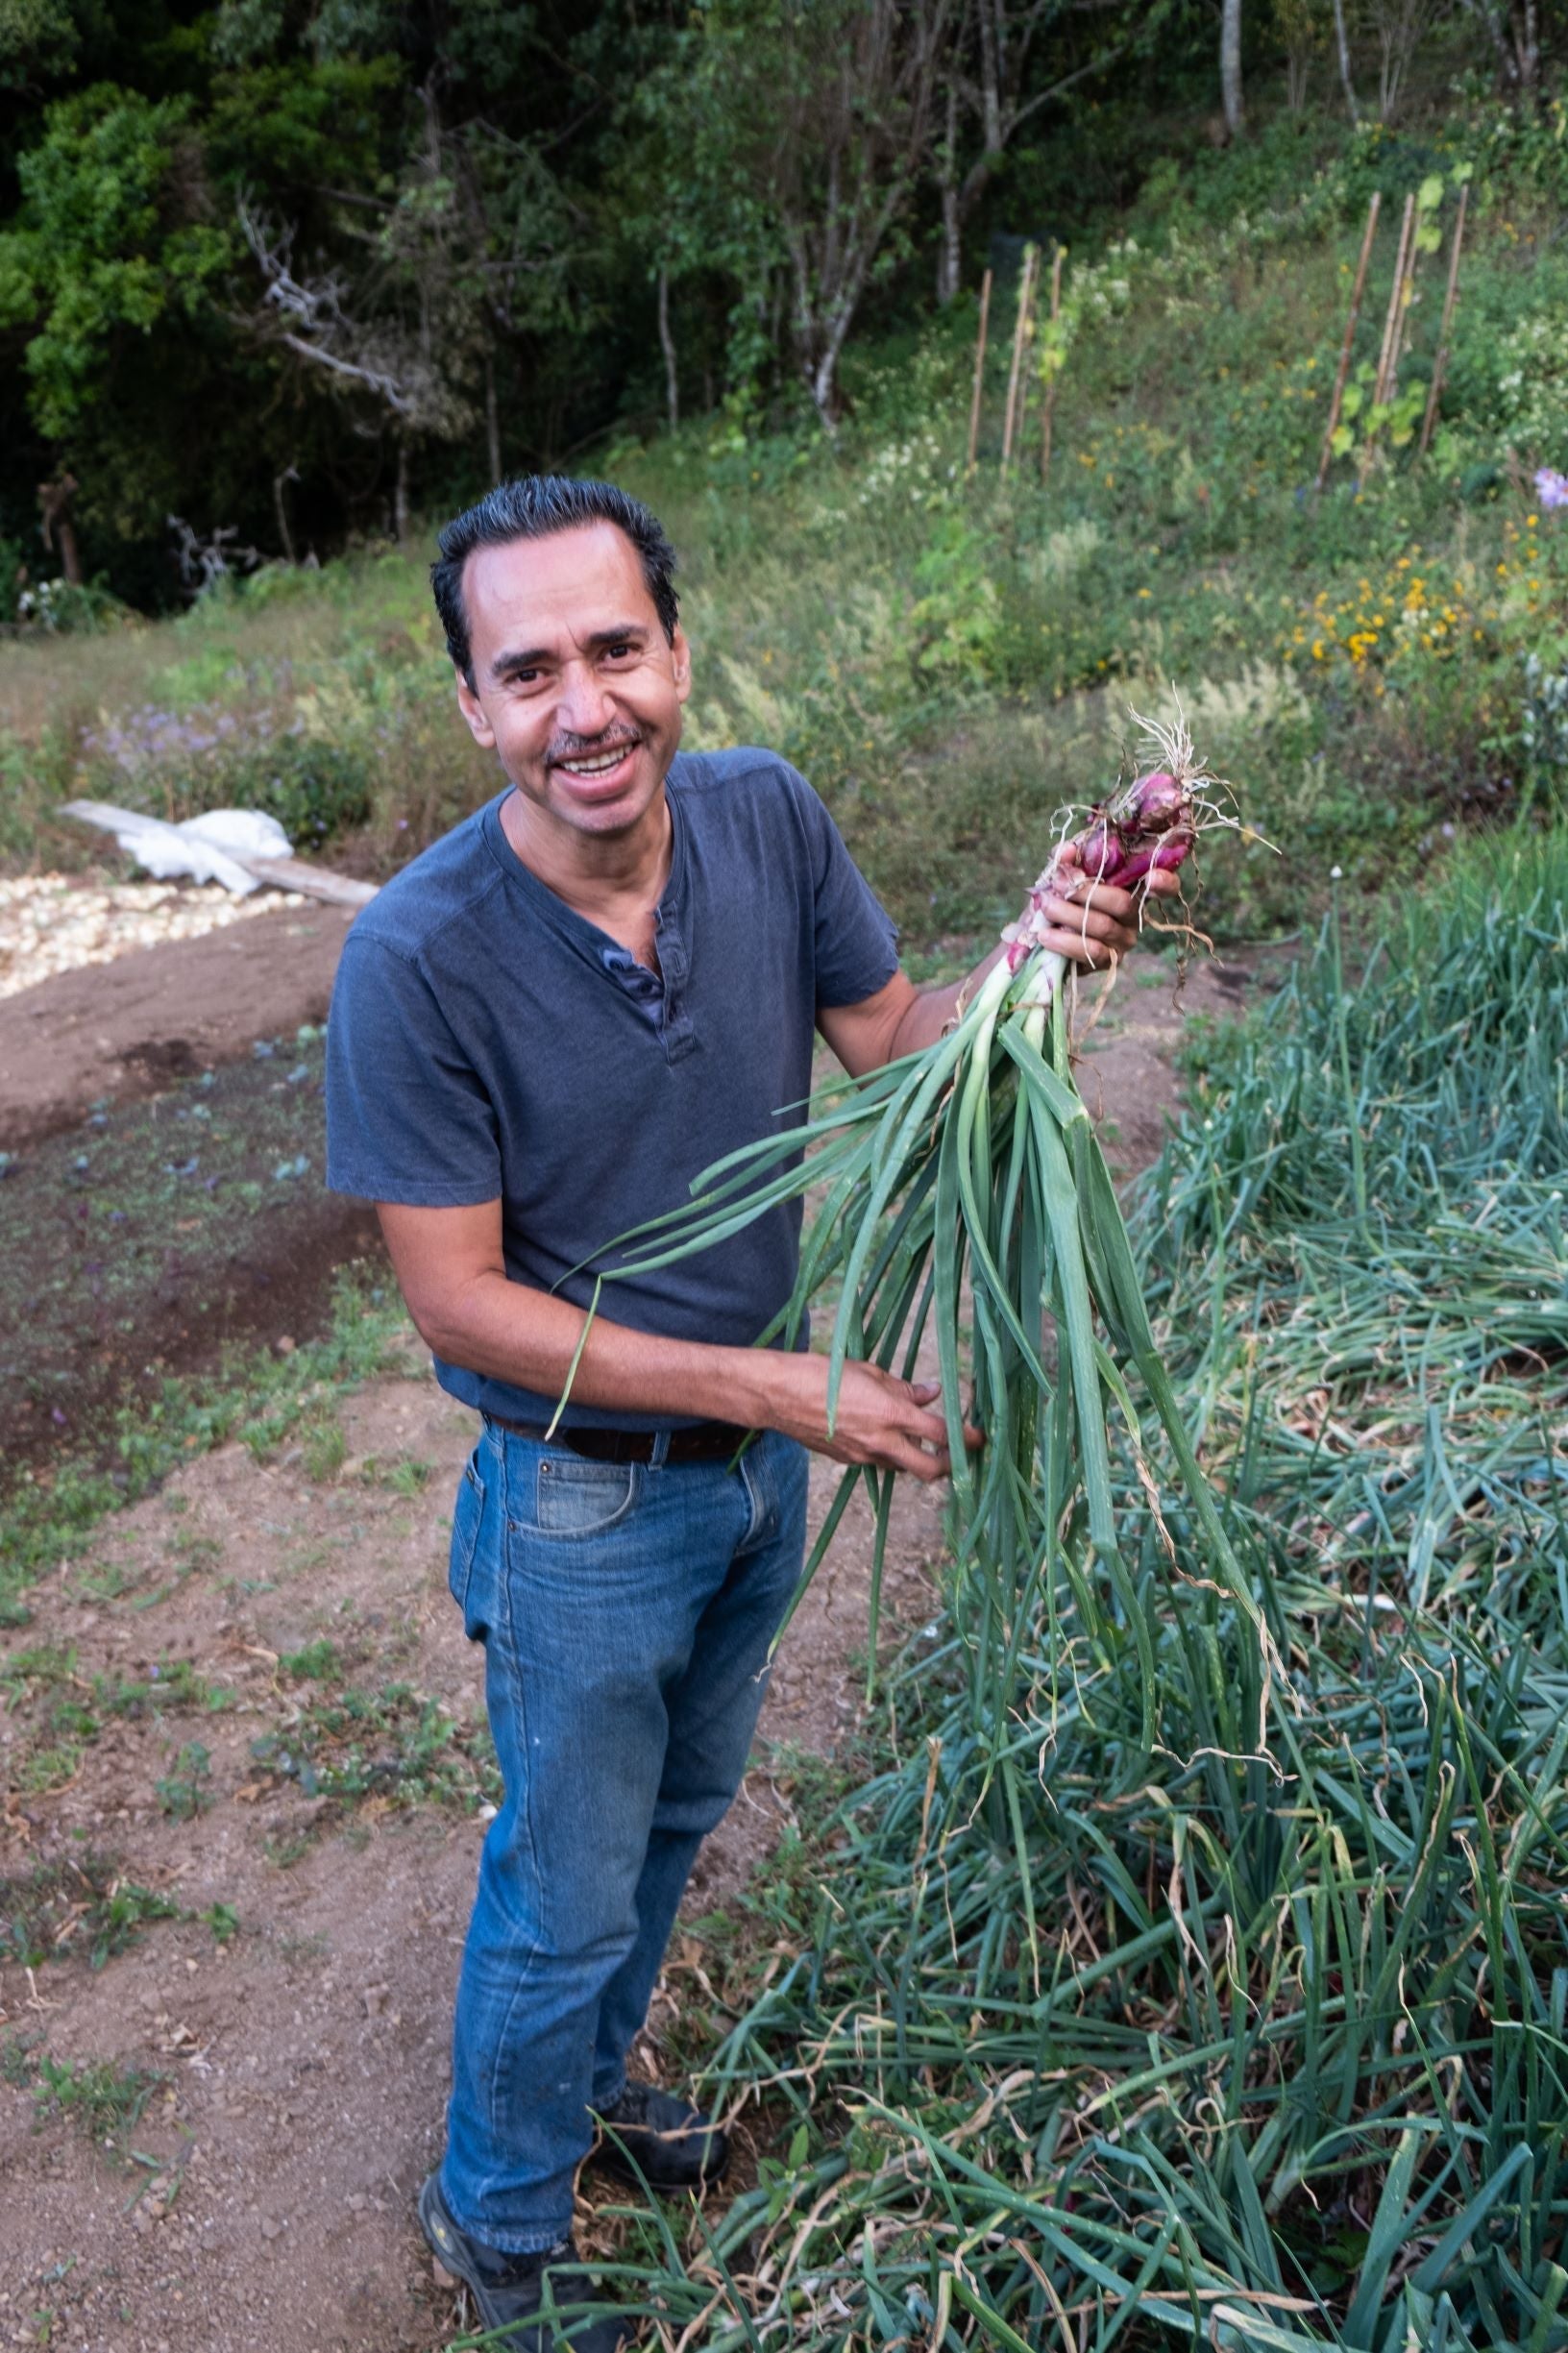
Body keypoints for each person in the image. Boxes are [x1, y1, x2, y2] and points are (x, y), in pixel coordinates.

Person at [325, 475, 1174, 2349]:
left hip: (749, 1486)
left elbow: (900, 1045)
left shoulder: (766, 815)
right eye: (528, 667)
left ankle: (592, 2087)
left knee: (679, 1815)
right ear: (472, 704)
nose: (585, 706)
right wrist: (776, 1381)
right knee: (560, 1880)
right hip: (584, 1507)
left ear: (677, 653)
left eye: (616, 648)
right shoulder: (415, 957)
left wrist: (1046, 953)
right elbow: (457, 1297)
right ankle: (503, 2226)